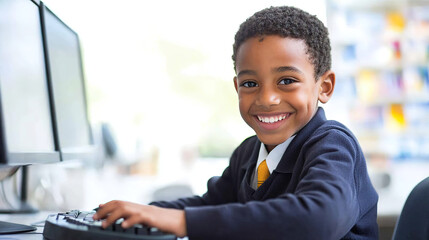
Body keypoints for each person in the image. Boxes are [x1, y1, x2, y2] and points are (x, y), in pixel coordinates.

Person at [93, 6, 379, 239]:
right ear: (236, 87)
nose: (267, 98)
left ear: (324, 87)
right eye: (251, 83)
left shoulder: (332, 143)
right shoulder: (248, 153)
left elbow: (319, 219)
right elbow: (209, 206)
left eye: (287, 81)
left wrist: (182, 221)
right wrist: (141, 211)